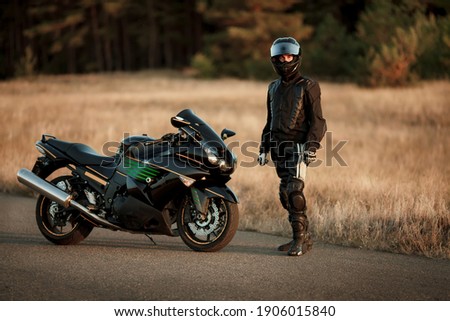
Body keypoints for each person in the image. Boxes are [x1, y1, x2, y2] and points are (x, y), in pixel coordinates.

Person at [258, 37, 327, 256]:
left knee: (294, 192)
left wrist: (311, 146)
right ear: (274, 59)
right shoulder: (272, 88)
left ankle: (300, 240)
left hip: (298, 147)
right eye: (280, 56)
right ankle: (302, 237)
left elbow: (318, 121)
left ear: (296, 57)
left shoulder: (308, 86)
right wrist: (263, 148)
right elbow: (270, 121)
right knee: (284, 196)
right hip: (279, 148)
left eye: (288, 56)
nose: (284, 60)